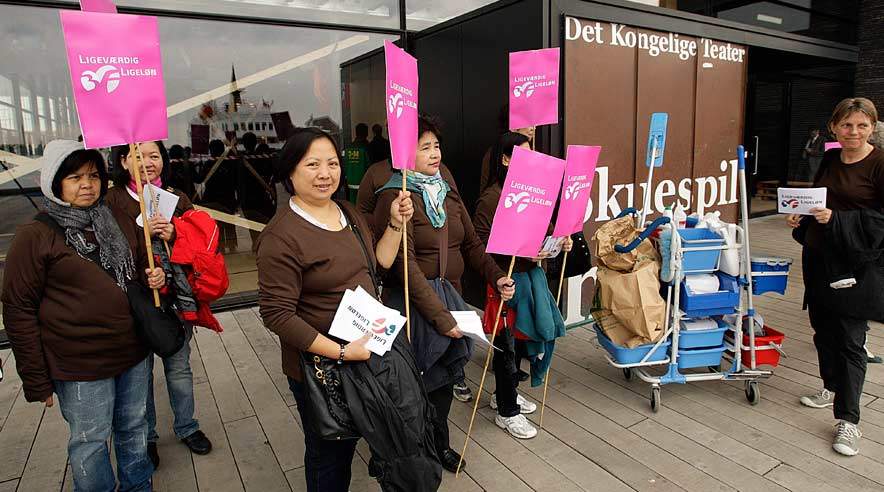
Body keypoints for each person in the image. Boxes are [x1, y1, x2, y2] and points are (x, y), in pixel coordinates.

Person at [257, 128, 438, 492]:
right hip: (323, 366)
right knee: (330, 454)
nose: (325, 173)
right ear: (290, 172)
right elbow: (276, 314)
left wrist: (395, 224)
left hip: (368, 353)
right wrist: (340, 350)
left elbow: (378, 265)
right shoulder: (281, 236)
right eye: (312, 165)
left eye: (332, 164)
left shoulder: (348, 213)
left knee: (383, 435)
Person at [1, 140, 164, 491]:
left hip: (132, 352)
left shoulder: (116, 218)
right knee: (90, 442)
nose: (87, 184)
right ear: (55, 182)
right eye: (75, 177)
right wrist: (35, 378)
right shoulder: (36, 235)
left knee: (134, 428)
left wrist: (154, 274)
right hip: (79, 365)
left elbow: (137, 266)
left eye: (93, 175)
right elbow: (18, 309)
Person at [373, 115, 515, 472]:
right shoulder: (394, 195)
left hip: (449, 299)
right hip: (410, 304)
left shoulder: (446, 189)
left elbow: (470, 242)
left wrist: (496, 276)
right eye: (425, 147)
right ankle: (406, 452)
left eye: (436, 145)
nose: (434, 153)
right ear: (405, 154)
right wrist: (441, 317)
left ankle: (439, 445)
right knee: (411, 384)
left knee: (442, 381)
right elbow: (403, 267)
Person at [105, 141, 214, 468]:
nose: (148, 162)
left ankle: (187, 426)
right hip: (133, 303)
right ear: (124, 161)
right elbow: (108, 253)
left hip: (174, 303)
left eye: (154, 156)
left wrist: (174, 236)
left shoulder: (175, 199)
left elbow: (199, 248)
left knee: (179, 368)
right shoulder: (111, 202)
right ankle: (147, 437)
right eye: (138, 156)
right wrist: (144, 273)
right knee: (141, 375)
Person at [788, 97, 884, 457]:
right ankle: (830, 386)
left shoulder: (880, 163)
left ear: (872, 126)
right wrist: (801, 215)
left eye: (862, 125)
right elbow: (816, 199)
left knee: (849, 340)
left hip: (854, 265)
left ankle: (849, 420)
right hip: (818, 256)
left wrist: (838, 219)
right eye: (846, 125)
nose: (854, 132)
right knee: (823, 330)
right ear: (834, 127)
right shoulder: (829, 157)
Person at [473, 132, 572, 439]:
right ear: (505, 159)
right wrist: (519, 253)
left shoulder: (532, 189)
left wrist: (559, 239)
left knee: (520, 343)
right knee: (506, 345)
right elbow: (479, 243)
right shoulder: (491, 198)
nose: (530, 160)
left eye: (532, 154)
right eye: (521, 154)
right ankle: (507, 411)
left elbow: (544, 225)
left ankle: (506, 394)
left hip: (529, 278)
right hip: (504, 281)